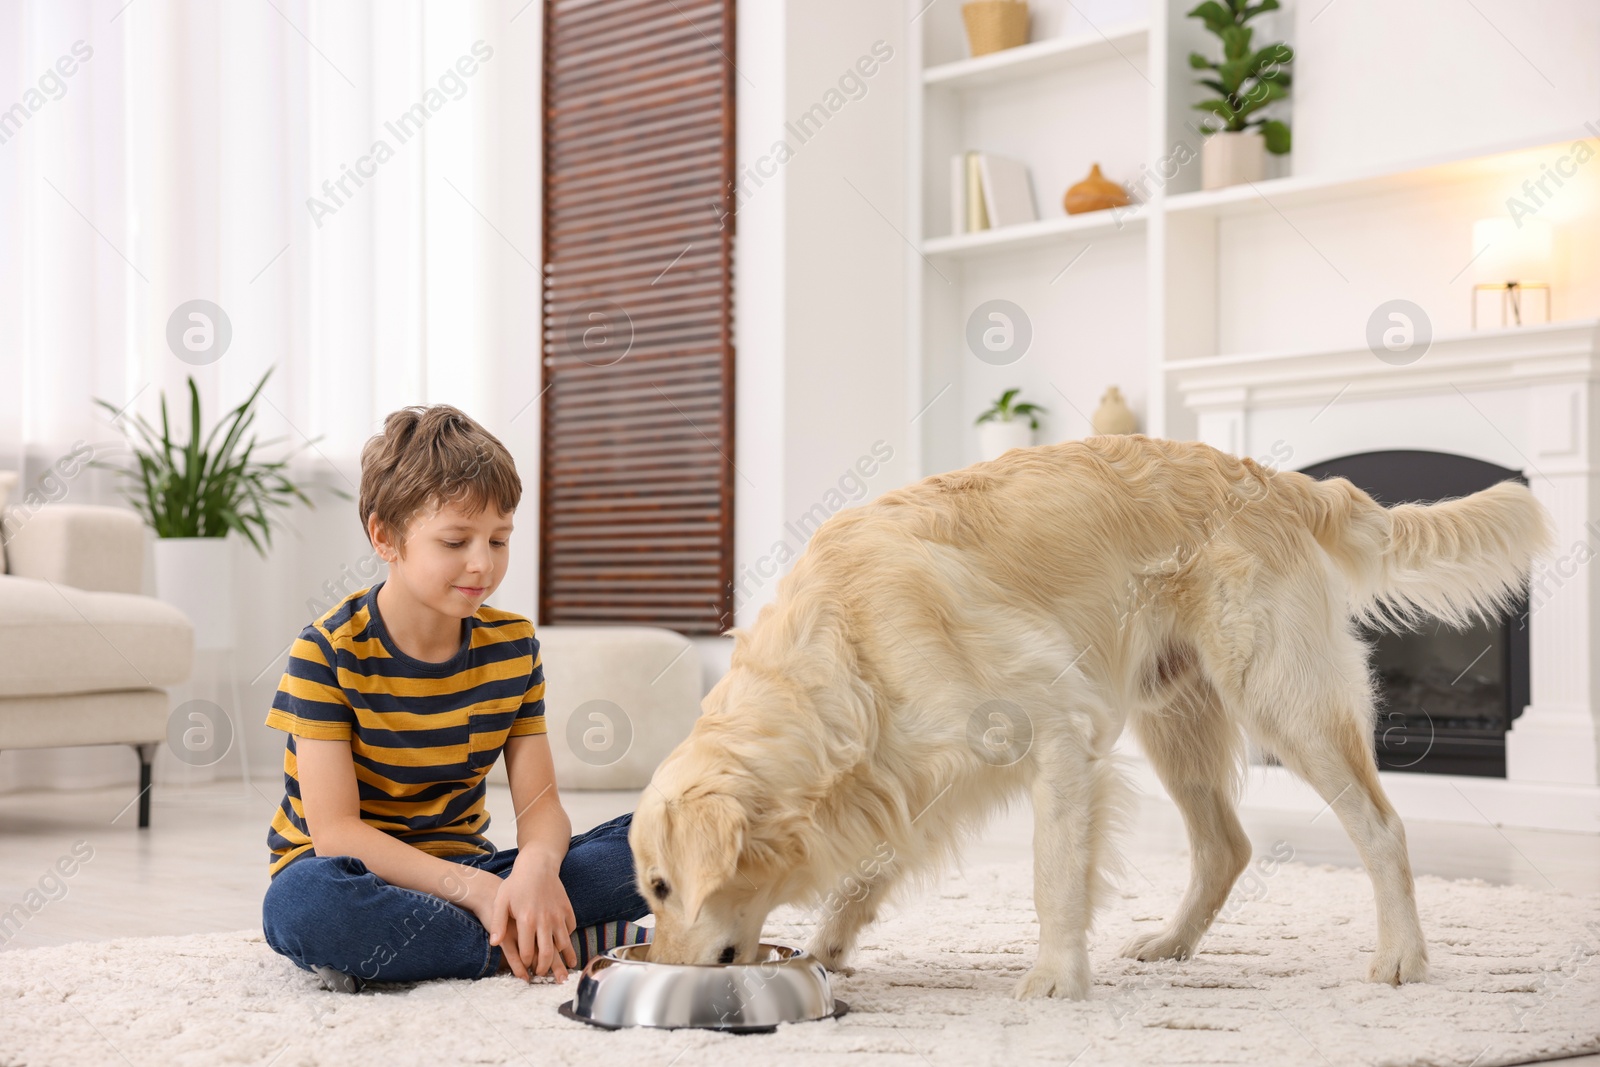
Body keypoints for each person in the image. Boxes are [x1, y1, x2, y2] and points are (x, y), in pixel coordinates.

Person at [260, 404, 651, 992]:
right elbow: (336, 832)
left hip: (471, 868)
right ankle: (543, 942)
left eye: (499, 539)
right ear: (384, 536)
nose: (482, 563)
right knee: (305, 907)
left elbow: (541, 808)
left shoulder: (514, 646)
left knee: (662, 838)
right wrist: (482, 893)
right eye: (455, 541)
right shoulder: (326, 652)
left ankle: (477, 937)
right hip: (353, 875)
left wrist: (535, 869)